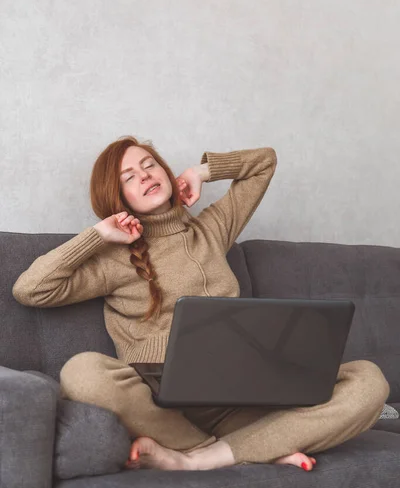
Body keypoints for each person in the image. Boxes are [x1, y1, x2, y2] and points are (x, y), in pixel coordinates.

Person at [12, 135, 389, 473]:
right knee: (82, 371)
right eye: (128, 177)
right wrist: (97, 235)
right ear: (118, 197)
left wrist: (202, 172)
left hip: (245, 389)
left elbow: (264, 162)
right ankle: (244, 447)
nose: (144, 175)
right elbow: (30, 289)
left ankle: (207, 458)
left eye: (149, 164)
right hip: (163, 400)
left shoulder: (211, 229)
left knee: (369, 381)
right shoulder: (114, 258)